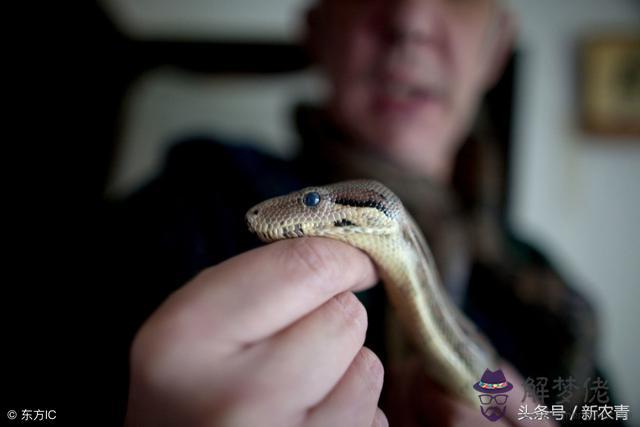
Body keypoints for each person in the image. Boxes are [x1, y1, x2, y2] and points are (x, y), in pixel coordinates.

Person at [109, 0, 616, 425]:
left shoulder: (554, 303)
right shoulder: (194, 194)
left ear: (496, 49)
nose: (411, 21)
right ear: (316, 28)